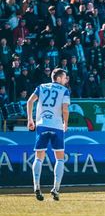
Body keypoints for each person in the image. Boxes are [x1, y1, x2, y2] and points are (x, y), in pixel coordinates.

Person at [26, 68, 70, 201]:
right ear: (58, 78)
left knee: (39, 157)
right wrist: (65, 123)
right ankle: (56, 189)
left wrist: (30, 119)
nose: (66, 80)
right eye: (64, 77)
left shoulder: (41, 87)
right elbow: (65, 109)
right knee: (60, 158)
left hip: (42, 125)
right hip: (57, 126)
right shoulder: (64, 90)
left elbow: (30, 101)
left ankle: (36, 187)